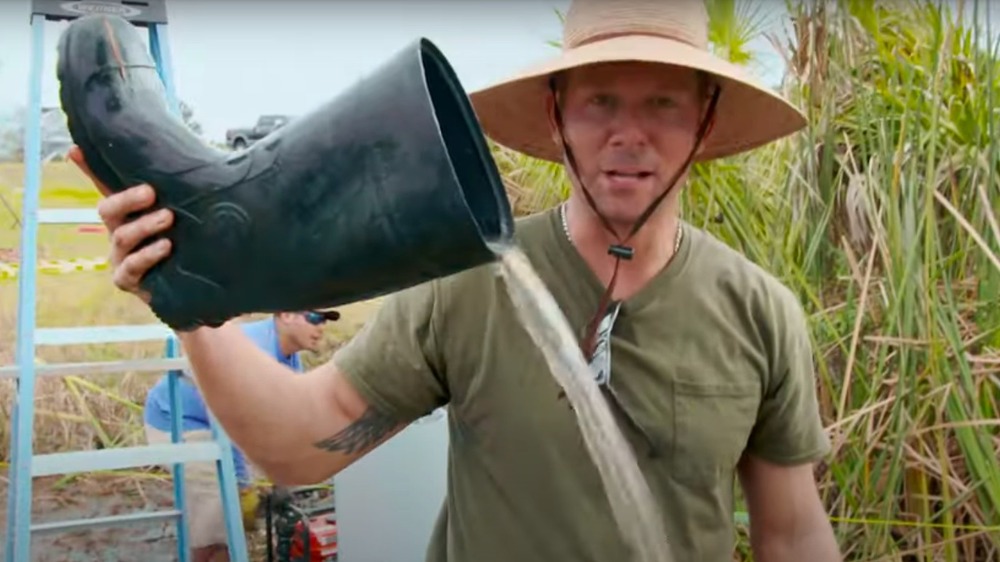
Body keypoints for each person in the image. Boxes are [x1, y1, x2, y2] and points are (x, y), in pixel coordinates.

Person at [72, 1, 843, 560]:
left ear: (706, 122)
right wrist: (193, 299)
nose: (628, 135)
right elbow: (304, 444)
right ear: (557, 113)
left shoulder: (758, 312)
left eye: (664, 105)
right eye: (600, 99)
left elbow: (792, 532)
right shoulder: (471, 281)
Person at [142, 310, 337, 562]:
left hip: (215, 420)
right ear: (287, 315)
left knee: (241, 505)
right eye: (314, 318)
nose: (321, 327)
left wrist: (282, 483)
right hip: (178, 423)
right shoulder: (256, 353)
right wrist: (243, 487)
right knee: (216, 515)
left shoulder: (288, 357)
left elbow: (283, 420)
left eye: (325, 320)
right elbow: (229, 427)